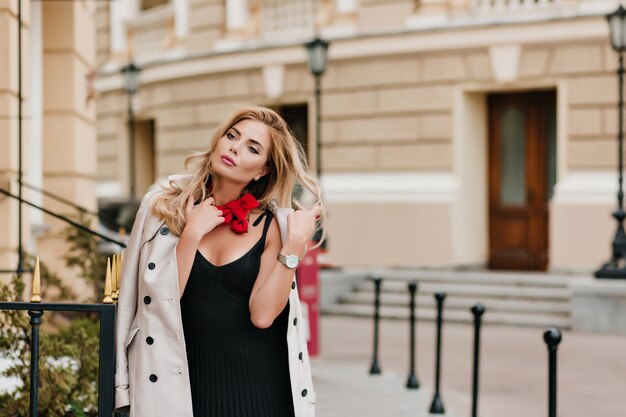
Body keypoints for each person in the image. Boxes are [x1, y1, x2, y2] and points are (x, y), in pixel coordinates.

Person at [114, 106, 323, 417]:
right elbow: (152, 302)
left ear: (262, 170)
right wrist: (192, 233)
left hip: (260, 393)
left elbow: (263, 315)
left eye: (252, 148)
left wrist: (293, 246)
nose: (235, 148)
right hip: (180, 390)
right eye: (232, 136)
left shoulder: (272, 228)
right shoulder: (161, 209)